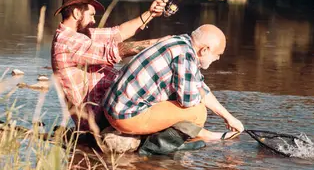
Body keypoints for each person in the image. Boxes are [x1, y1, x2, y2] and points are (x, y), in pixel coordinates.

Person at [51, 0, 167, 134]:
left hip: (108, 110)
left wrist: (150, 14)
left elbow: (118, 33)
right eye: (91, 15)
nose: (94, 20)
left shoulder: (81, 34)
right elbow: (113, 51)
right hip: (98, 120)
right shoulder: (67, 42)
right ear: (76, 13)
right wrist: (158, 44)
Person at [103, 24, 245, 141]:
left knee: (192, 102)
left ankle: (201, 134)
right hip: (124, 117)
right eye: (218, 54)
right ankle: (200, 137)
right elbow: (188, 101)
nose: (218, 59)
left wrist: (229, 117)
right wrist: (197, 95)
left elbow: (201, 87)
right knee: (198, 112)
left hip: (113, 109)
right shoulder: (185, 56)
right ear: (205, 50)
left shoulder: (182, 42)